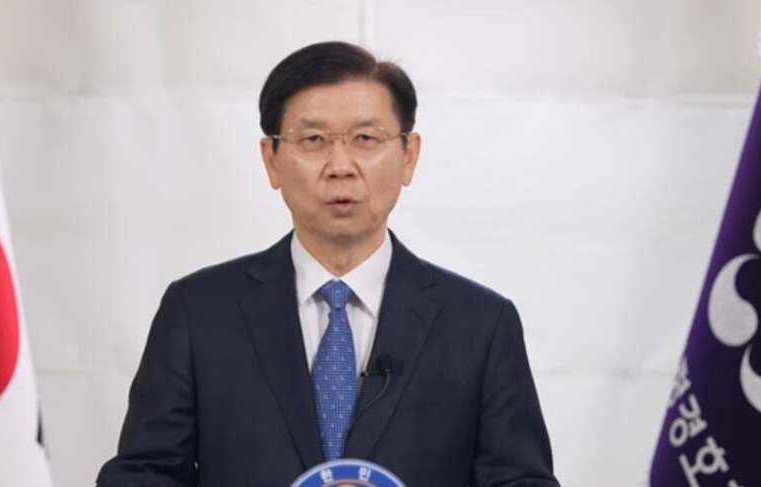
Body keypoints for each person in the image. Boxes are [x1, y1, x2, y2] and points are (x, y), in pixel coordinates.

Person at [97, 41, 559, 487]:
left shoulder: (480, 324)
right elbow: (143, 474)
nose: (340, 165)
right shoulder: (198, 311)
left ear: (408, 156)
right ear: (271, 160)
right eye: (313, 139)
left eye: (365, 138)